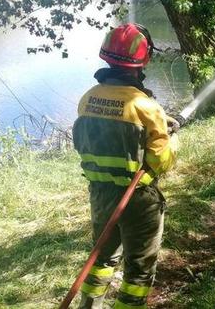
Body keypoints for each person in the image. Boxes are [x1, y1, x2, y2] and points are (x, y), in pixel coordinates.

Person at [73, 23, 179, 308]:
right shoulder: (146, 107)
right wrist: (170, 140)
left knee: (102, 257)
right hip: (137, 199)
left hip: (101, 194)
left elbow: (100, 137)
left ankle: (89, 305)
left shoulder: (88, 100)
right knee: (138, 270)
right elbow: (160, 161)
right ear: (142, 61)